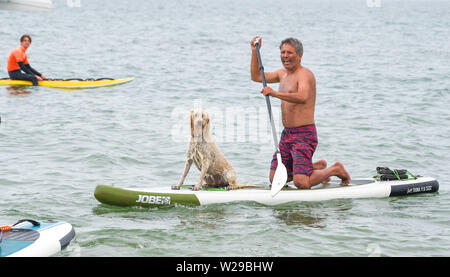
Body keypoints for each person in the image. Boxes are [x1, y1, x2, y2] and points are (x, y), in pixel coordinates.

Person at [250, 36, 351, 189]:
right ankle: (315, 167)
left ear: (299, 55)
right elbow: (256, 76)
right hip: (287, 134)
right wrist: (254, 52)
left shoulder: (305, 75)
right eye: (283, 52)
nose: (285, 56)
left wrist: (275, 94)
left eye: (289, 53)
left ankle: (334, 169)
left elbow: (303, 97)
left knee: (301, 183)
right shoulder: (281, 74)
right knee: (275, 179)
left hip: (304, 134)